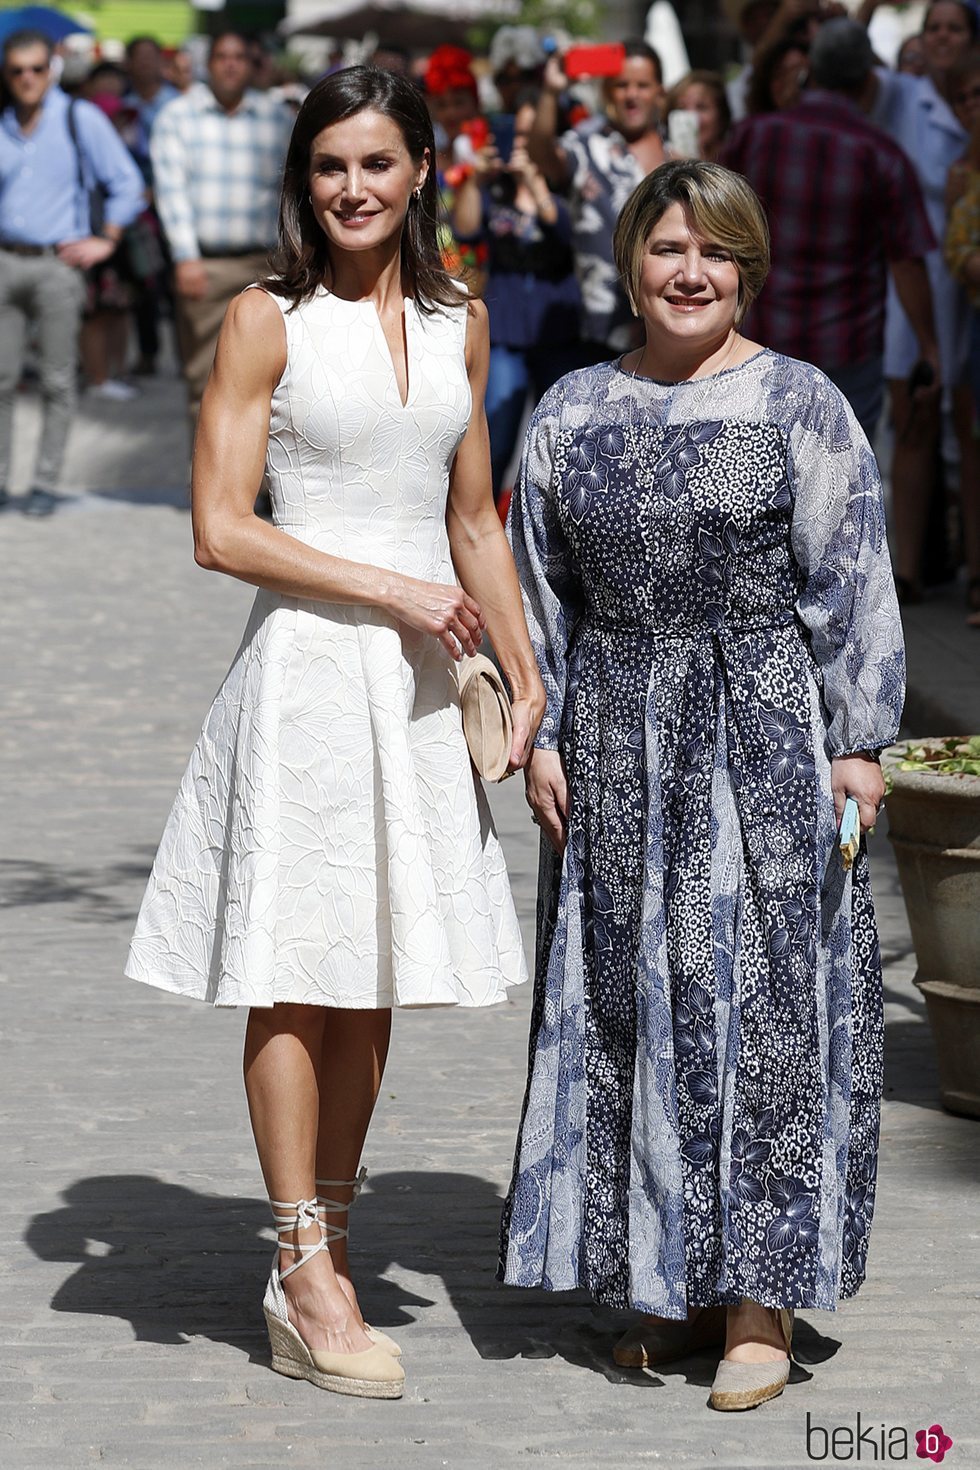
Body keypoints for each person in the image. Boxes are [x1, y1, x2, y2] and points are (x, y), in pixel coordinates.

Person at [125, 64, 544, 1398]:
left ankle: (331, 1249)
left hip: (425, 687)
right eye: (329, 167)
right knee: (295, 961)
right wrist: (391, 586)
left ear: (423, 168)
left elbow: (473, 516)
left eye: (378, 162)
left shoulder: (460, 319)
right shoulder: (266, 320)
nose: (355, 189)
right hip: (311, 669)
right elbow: (219, 525)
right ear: (302, 183)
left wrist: (529, 676)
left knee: (373, 970)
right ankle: (301, 1259)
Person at [500, 160, 903, 1413]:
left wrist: (857, 743)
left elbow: (850, 578)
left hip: (763, 733)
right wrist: (544, 731)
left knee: (761, 1004)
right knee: (635, 1002)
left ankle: (757, 1302)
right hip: (615, 736)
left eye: (715, 255)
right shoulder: (566, 409)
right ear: (627, 261)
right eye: (667, 248)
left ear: (746, 271)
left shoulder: (801, 405)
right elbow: (533, 593)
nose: (689, 273)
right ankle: (661, 1283)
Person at [722, 19, 938, 439]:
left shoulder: (752, 136)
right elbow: (908, 263)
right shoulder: (882, 156)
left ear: (811, 71)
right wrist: (930, 345)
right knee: (841, 491)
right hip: (846, 355)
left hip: (756, 348)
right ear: (867, 82)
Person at [0, 28, 143, 516]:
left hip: (57, 265)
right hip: (5, 261)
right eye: (17, 70)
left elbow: (127, 183)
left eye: (36, 68)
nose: (27, 79)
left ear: (52, 67)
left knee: (57, 381)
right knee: (1, 380)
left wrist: (107, 239)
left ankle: (44, 482)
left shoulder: (79, 118)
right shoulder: (2, 125)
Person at [863, 0, 974, 600]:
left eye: (954, 28)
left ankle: (960, 556)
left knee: (965, 423)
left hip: (966, 281)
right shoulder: (904, 96)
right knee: (913, 416)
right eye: (932, 27)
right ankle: (905, 567)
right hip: (915, 275)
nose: (941, 37)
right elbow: (844, 57)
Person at [150, 29, 292, 443]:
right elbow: (171, 190)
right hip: (205, 265)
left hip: (266, 264)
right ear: (208, 63)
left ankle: (262, 486)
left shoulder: (276, 118)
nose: (230, 64)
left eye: (239, 56)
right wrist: (185, 258)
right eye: (222, 56)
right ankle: (207, 490)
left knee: (272, 379)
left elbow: (291, 193)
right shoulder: (177, 116)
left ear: (252, 65)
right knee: (204, 377)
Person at [452, 100, 581, 500]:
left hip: (556, 329)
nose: (520, 145)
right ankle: (481, 522)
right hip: (506, 327)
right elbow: (465, 231)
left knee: (563, 442)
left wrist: (535, 181)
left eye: (529, 137)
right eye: (514, 136)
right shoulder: (494, 189)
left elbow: (564, 233)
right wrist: (475, 179)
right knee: (496, 435)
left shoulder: (565, 182)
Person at [529, 40, 667, 362]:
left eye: (642, 85)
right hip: (601, 330)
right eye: (622, 85)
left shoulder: (677, 148)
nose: (632, 95)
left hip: (667, 327)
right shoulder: (585, 144)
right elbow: (541, 155)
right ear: (607, 91)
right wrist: (551, 92)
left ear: (659, 90)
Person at [664, 69, 732, 159]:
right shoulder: (660, 160)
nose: (691, 116)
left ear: (721, 115)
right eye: (681, 108)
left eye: (701, 107)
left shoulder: (740, 160)